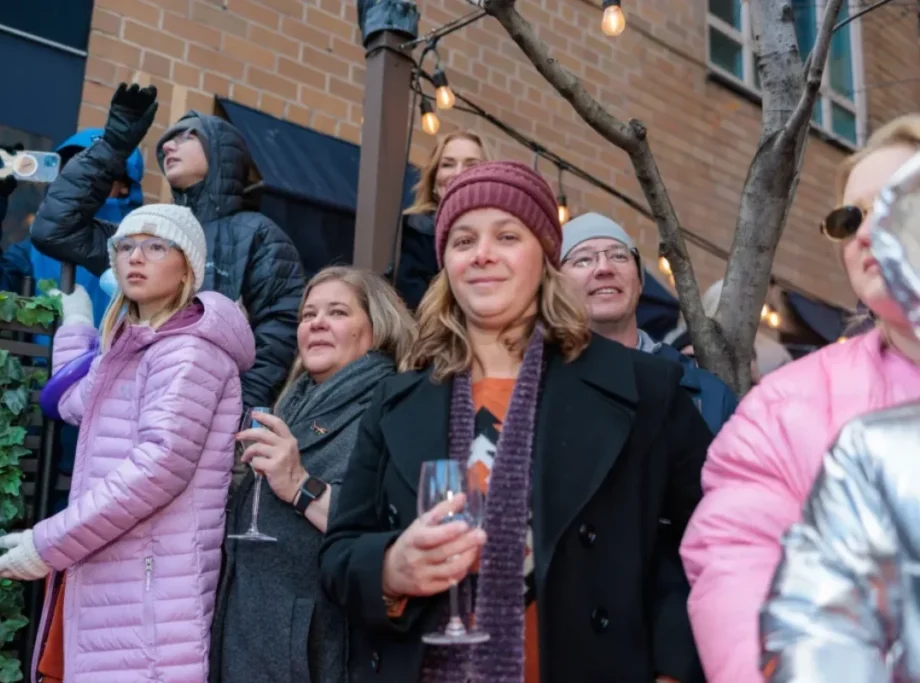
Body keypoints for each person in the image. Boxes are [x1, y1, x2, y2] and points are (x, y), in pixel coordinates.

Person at [319, 161, 712, 682]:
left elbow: (715, 536)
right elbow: (339, 553)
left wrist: (674, 668)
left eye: (507, 235)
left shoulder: (645, 388)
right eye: (463, 241)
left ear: (545, 257)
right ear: (446, 265)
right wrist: (390, 569)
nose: (482, 254)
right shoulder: (398, 398)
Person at [680, 114, 920, 683]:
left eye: (896, 200)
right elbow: (738, 563)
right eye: (849, 218)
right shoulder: (781, 408)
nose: (866, 231)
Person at [0, 203, 255, 683]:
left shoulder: (189, 350)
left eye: (155, 246)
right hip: (116, 577)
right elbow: (70, 403)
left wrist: (47, 545)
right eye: (125, 246)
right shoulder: (135, 345)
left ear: (187, 265)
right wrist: (79, 326)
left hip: (149, 591)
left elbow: (157, 468)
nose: (135, 257)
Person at [30, 83, 304, 409]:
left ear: (222, 151)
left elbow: (279, 332)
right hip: (128, 408)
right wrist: (115, 145)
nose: (169, 146)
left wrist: (233, 411)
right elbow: (56, 229)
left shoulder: (258, 233)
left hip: (207, 419)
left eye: (187, 136)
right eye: (166, 142)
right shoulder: (149, 235)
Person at [210, 266, 417, 683]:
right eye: (308, 315)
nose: (317, 323)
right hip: (247, 640)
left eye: (337, 312)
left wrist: (301, 487)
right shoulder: (291, 404)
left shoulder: (394, 410)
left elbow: (389, 530)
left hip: (318, 651)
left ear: (377, 330)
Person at [560, 212, 738, 434]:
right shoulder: (534, 381)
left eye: (619, 256)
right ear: (556, 287)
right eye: (583, 259)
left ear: (639, 282)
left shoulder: (706, 393)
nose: (604, 268)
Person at [0, 129, 145, 325]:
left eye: (97, 172)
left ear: (125, 185)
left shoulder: (148, 248)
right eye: (70, 170)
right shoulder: (34, 250)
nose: (80, 179)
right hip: (43, 356)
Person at [394, 129, 489, 310]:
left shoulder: (502, 239)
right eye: (447, 165)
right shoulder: (412, 231)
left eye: (471, 165)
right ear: (434, 179)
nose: (458, 173)